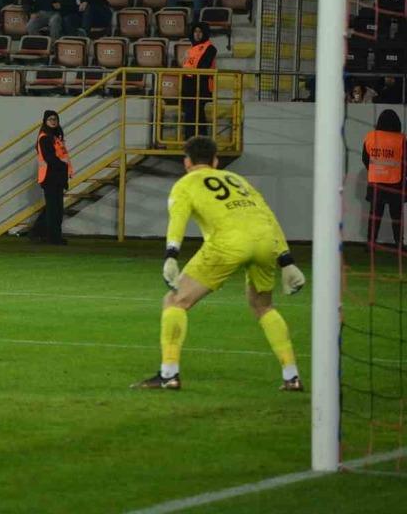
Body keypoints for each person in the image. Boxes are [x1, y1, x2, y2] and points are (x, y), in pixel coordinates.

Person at [132, 136, 307, 391]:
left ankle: (168, 374)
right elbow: (267, 216)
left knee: (174, 301)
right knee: (263, 306)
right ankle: (292, 377)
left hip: (228, 244)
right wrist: (287, 260)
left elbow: (178, 220)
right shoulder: (238, 180)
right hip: (266, 242)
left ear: (187, 162)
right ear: (215, 161)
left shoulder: (185, 184)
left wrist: (171, 255)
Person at [363, 109, 406, 249]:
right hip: (395, 183)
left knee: (375, 216)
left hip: (376, 182)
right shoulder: (401, 139)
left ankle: (370, 243)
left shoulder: (371, 136)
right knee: (397, 217)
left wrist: (375, 170)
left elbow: (365, 158)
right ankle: (399, 244)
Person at [29, 110, 72, 245]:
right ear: (45, 121)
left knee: (52, 208)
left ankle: (37, 233)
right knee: (55, 210)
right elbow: (50, 158)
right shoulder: (45, 138)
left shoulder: (55, 137)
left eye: (55, 119)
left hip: (57, 177)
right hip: (50, 178)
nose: (53, 121)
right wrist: (63, 165)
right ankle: (53, 238)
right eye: (50, 119)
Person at [180, 22, 217, 140]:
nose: (197, 34)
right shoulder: (191, 49)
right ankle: (193, 139)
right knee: (192, 114)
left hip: (201, 86)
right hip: (189, 86)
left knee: (196, 114)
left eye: (200, 31)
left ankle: (196, 139)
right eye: (195, 31)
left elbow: (203, 66)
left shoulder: (210, 48)